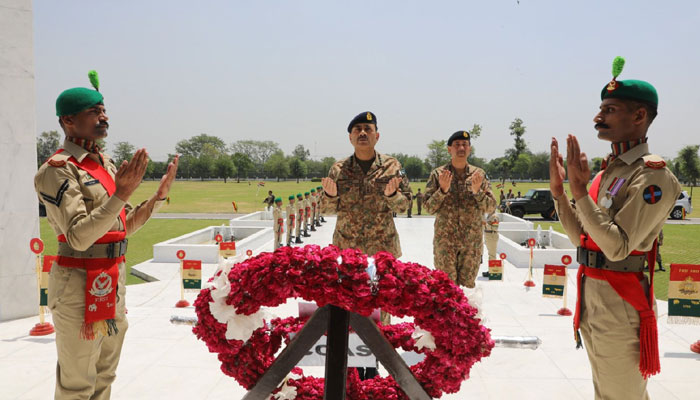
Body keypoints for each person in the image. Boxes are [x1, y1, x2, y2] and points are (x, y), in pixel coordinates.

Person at [34, 72, 179, 399]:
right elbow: (79, 237)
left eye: (104, 110)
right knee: (77, 385)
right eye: (94, 111)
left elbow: (120, 226)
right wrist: (121, 194)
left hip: (111, 283)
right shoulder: (58, 169)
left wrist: (156, 199)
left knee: (104, 376)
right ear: (68, 120)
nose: (104, 117)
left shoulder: (106, 164)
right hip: (77, 287)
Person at [550, 57, 680, 398]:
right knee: (605, 392)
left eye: (609, 110)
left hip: (620, 302)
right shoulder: (609, 172)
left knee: (621, 395)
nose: (597, 118)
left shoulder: (651, 175)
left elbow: (617, 247)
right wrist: (561, 195)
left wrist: (580, 192)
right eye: (600, 109)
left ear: (639, 116)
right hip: (593, 295)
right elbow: (582, 236)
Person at [321, 111, 410, 380]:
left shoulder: (392, 166)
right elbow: (326, 210)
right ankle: (350, 367)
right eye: (357, 129)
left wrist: (393, 195)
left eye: (367, 129)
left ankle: (375, 367)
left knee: (381, 307)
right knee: (347, 305)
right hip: (348, 252)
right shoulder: (338, 169)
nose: (362, 133)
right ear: (350, 137)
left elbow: (405, 205)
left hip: (382, 251)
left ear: (376, 136)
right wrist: (329, 195)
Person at [423, 130, 497, 288]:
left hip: (471, 243)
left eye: (465, 144)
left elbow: (490, 207)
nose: (461, 148)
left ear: (470, 149)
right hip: (445, 243)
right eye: (457, 145)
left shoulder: (479, 175)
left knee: (467, 288)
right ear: (449, 149)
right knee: (445, 288)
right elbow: (428, 208)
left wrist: (477, 192)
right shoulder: (438, 174)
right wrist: (442, 190)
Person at [482, 211, 500, 278]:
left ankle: (493, 272)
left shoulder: (494, 216)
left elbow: (495, 228)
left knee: (492, 254)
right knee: (490, 254)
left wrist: (485, 224)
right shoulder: (489, 215)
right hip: (488, 235)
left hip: (492, 235)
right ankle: (491, 270)